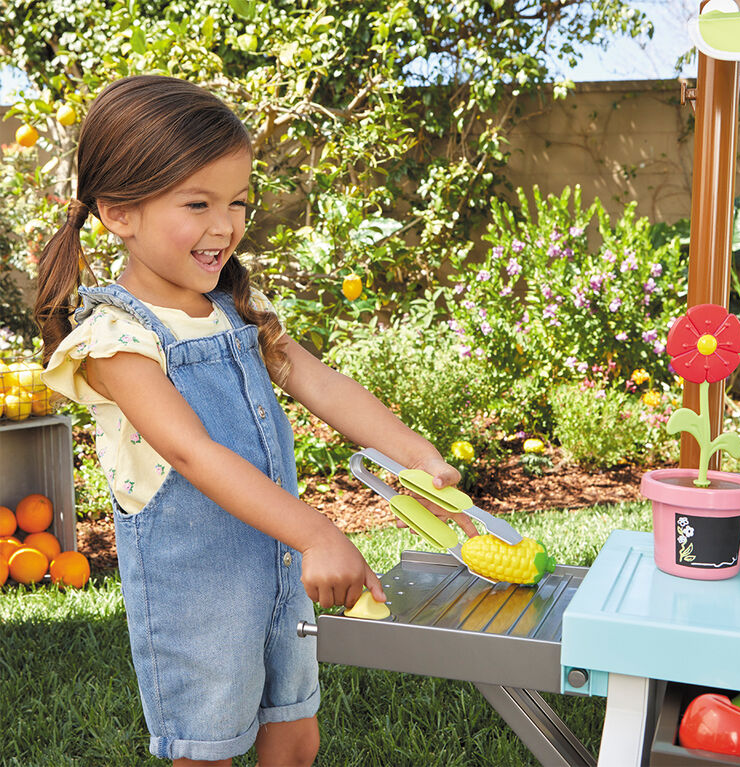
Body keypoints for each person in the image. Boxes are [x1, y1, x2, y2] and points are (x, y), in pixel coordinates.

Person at [36, 75, 477, 767]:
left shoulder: (237, 304)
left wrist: (417, 459)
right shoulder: (114, 338)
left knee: (295, 736)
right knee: (207, 752)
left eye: (238, 201)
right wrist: (318, 531)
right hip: (199, 593)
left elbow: (319, 382)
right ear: (119, 212)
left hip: (281, 573)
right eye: (198, 203)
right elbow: (191, 453)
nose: (226, 226)